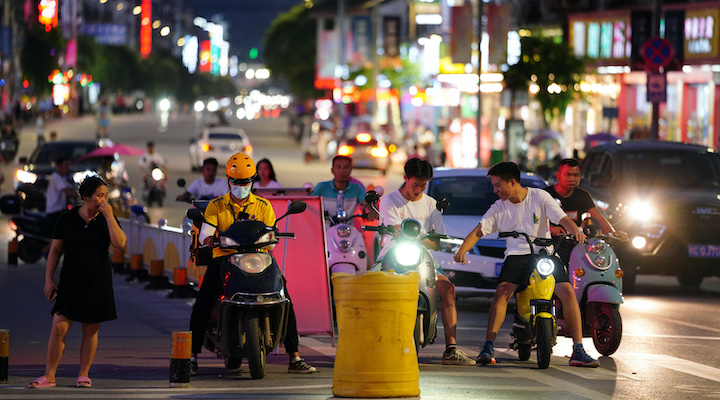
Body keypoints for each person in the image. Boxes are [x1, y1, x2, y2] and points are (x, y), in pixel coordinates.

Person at [453, 162, 599, 368]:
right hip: (517, 255)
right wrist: (462, 251)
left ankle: (578, 349)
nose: (495, 190)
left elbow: (563, 218)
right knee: (503, 292)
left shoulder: (540, 197)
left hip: (545, 253)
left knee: (567, 292)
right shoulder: (499, 207)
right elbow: (479, 231)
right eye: (493, 186)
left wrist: (575, 230)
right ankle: (488, 346)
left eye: (498, 185)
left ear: (512, 182)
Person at [189, 152, 317, 375]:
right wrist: (208, 238)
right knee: (203, 301)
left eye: (246, 182)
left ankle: (294, 356)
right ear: (229, 180)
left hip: (259, 260)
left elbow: (271, 242)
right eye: (237, 182)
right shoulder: (215, 206)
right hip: (223, 260)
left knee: (284, 297)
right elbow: (206, 234)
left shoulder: (263, 206)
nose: (242, 186)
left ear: (252, 181)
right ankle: (190, 355)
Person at [28, 176, 127, 388]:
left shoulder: (105, 219)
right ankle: (49, 375)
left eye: (106, 196)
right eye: (99, 195)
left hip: (97, 281)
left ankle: (84, 373)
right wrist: (49, 279)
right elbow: (55, 250)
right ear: (85, 197)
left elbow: (120, 243)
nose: (103, 200)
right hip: (70, 281)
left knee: (90, 329)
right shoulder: (67, 219)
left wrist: (109, 217)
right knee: (59, 328)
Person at [375, 158, 476, 366]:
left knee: (448, 289)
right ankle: (373, 340)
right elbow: (393, 229)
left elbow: (436, 243)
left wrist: (422, 239)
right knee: (371, 288)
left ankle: (451, 348)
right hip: (391, 255)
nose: (418, 189)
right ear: (405, 178)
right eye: (415, 184)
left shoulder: (432, 205)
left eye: (423, 185)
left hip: (423, 257)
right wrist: (420, 235)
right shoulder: (388, 201)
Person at [312, 155, 368, 222]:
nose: (342, 171)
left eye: (346, 167)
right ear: (332, 170)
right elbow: (311, 206)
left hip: (349, 230)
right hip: (326, 230)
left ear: (350, 170)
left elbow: (366, 204)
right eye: (338, 167)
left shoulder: (357, 188)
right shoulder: (321, 187)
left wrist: (371, 210)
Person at [46, 157, 80, 224]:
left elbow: (71, 188)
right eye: (66, 165)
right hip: (54, 210)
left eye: (69, 165)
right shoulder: (56, 177)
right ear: (59, 166)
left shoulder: (62, 177)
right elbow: (67, 191)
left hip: (60, 209)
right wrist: (80, 196)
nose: (68, 167)